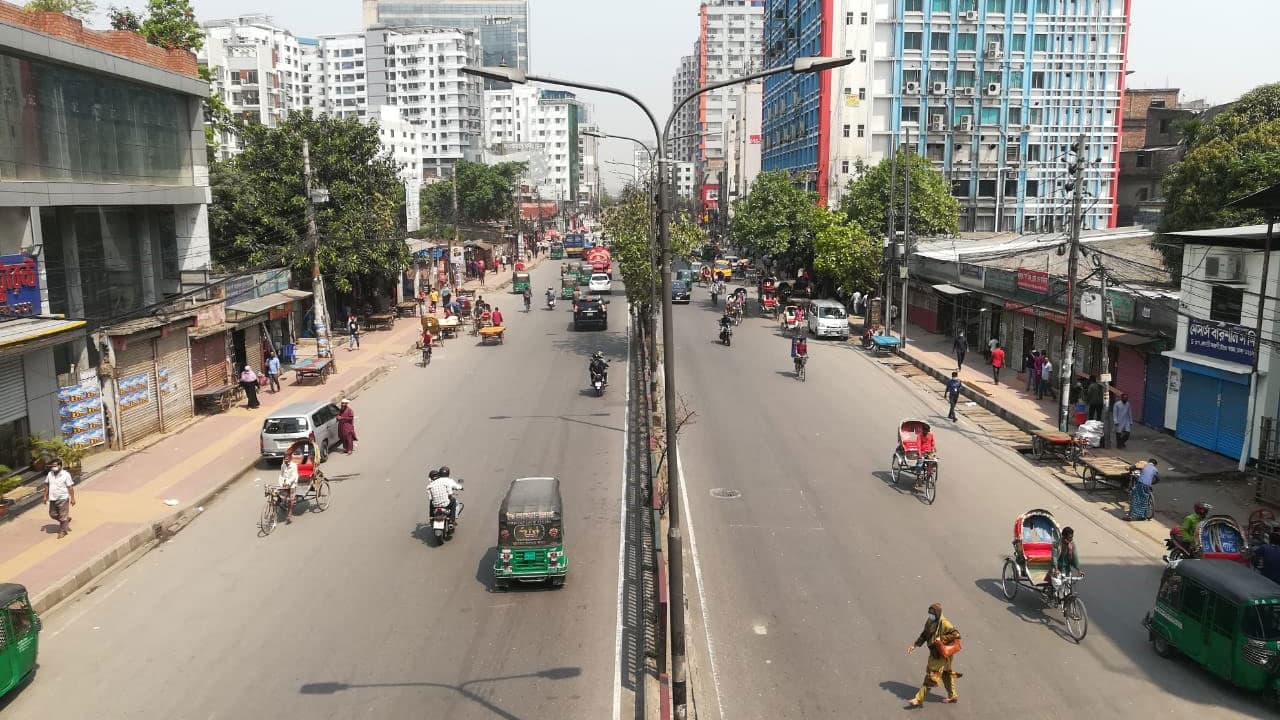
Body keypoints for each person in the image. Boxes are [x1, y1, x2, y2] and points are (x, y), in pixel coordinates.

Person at [906, 602, 962, 707]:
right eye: (929, 613)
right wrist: (915, 645)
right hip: (937, 652)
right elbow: (924, 634)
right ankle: (953, 695)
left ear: (938, 613)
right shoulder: (930, 621)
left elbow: (957, 635)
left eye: (932, 614)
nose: (930, 615)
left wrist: (942, 638)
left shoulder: (945, 623)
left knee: (932, 675)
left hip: (941, 654)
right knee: (946, 674)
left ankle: (918, 699)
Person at [42, 457, 75, 538]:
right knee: (52, 514)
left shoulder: (66, 475)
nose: (53, 467)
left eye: (55, 466)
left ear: (60, 466)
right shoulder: (50, 474)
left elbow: (70, 487)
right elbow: (46, 484)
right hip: (52, 498)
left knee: (63, 516)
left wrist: (73, 498)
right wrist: (45, 496)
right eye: (52, 466)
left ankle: (63, 531)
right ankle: (65, 521)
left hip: (63, 498)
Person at [1048, 526, 1082, 604]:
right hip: (1056, 569)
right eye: (1069, 538)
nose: (1071, 539)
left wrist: (1079, 570)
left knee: (1068, 589)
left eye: (1072, 537)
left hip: (1066, 570)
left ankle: (1066, 606)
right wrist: (1056, 569)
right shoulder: (1056, 544)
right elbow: (1054, 558)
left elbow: (1075, 557)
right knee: (1059, 585)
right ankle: (1056, 595)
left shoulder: (1072, 545)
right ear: (1063, 537)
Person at [277, 453, 299, 522]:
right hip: (285, 483)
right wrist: (281, 482)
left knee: (290, 499)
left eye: (287, 459)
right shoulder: (283, 465)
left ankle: (290, 514)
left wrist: (288, 482)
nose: (286, 460)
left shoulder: (294, 465)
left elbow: (294, 476)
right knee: (278, 493)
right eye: (285, 459)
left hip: (292, 483)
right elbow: (281, 475)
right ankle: (282, 502)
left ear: (290, 459)